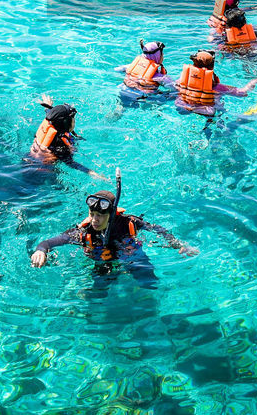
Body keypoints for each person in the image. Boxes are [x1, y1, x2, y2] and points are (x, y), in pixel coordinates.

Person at [30, 171, 198, 285]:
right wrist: (40, 250)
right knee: (98, 292)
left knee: (148, 281)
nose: (94, 219)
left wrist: (180, 245)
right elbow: (49, 242)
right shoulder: (84, 231)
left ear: (111, 214)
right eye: (92, 213)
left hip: (129, 252)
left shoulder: (128, 222)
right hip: (101, 258)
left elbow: (158, 229)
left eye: (100, 215)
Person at [29, 98, 104, 178]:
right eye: (72, 120)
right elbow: (72, 164)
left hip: (29, 160)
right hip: (42, 172)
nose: (74, 121)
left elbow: (52, 114)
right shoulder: (59, 145)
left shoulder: (52, 123)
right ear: (65, 123)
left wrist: (48, 106)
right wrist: (93, 173)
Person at [175, 49, 257, 117]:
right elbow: (242, 93)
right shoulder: (216, 87)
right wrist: (253, 82)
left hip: (183, 106)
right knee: (218, 107)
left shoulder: (181, 80)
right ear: (211, 67)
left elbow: (175, 88)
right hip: (207, 111)